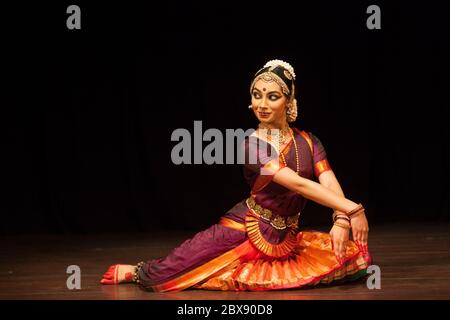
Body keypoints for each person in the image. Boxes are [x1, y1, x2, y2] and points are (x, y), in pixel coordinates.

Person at [100, 59, 372, 291]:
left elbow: (327, 179)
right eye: (257, 95)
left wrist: (342, 219)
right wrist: (353, 208)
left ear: (289, 101)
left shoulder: (309, 141)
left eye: (272, 96)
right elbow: (298, 184)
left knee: (353, 257)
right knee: (173, 270)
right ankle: (135, 270)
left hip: (284, 237)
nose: (262, 104)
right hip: (244, 229)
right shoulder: (251, 145)